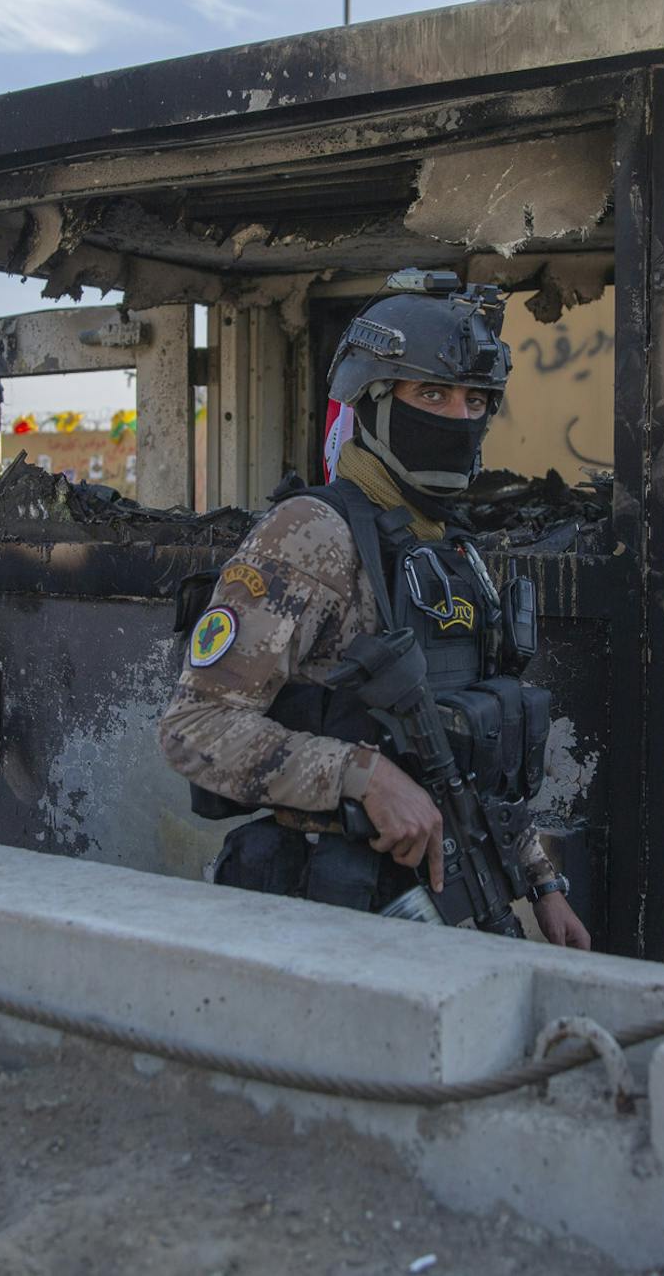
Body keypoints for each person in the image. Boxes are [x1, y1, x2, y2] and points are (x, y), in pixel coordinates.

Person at [160, 273, 591, 949]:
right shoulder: (313, 533)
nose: (458, 417)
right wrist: (362, 775)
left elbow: (474, 755)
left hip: (437, 903)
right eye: (431, 394)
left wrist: (542, 884)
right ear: (374, 401)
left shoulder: (450, 545)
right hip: (322, 913)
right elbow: (194, 728)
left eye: (475, 399)